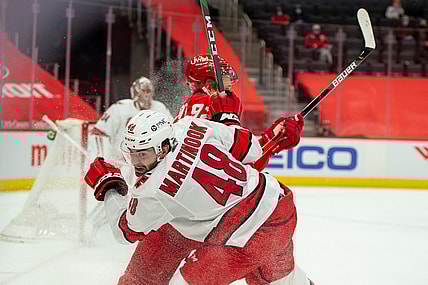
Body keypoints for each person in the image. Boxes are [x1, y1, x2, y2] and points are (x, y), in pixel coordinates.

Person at [87, 55, 306, 285]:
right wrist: (270, 140)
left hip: (196, 216)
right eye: (223, 81)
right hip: (222, 214)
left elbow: (232, 164)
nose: (229, 86)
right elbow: (245, 159)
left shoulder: (187, 118)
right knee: (275, 273)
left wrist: (270, 139)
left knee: (140, 279)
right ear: (209, 83)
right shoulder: (204, 108)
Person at [92, 76, 173, 183]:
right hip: (120, 162)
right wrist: (102, 158)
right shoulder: (120, 108)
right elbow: (98, 132)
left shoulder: (160, 108)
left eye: (148, 91)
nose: (146, 95)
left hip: (149, 164)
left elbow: (172, 131)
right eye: (143, 90)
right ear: (135, 92)